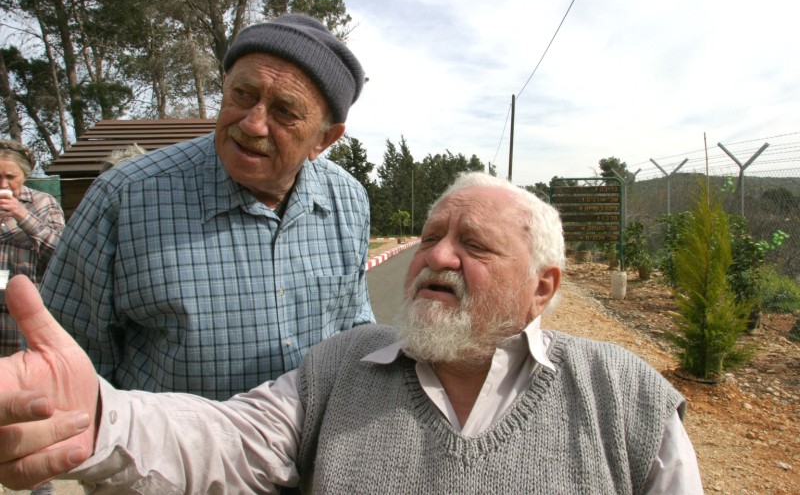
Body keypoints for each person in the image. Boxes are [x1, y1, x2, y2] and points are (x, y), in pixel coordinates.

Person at [0, 172, 703, 494]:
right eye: (432, 237)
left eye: (476, 245)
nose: (439, 256)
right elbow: (224, 439)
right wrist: (98, 414)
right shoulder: (341, 368)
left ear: (543, 287)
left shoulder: (622, 398)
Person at [39, 14, 374, 400]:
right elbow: (67, 366)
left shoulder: (348, 200)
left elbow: (353, 324)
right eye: (242, 95)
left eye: (284, 111)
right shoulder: (125, 197)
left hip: (313, 455)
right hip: (169, 460)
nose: (252, 124)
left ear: (324, 139)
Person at [0, 140, 65, 356]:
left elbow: (60, 254)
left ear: (25, 175)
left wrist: (22, 215)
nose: (3, 185)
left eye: (10, 177)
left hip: (25, 320)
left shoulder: (44, 203)